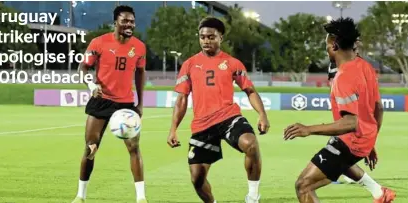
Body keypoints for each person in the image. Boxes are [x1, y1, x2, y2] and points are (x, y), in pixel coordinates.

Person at [283, 17, 396, 203]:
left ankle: (378, 192)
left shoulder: (343, 77)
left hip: (351, 140)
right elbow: (379, 108)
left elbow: (350, 123)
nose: (325, 48)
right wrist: (370, 140)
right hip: (363, 137)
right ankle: (378, 192)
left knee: (303, 185)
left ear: (334, 45)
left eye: (326, 44)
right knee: (337, 159)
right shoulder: (365, 66)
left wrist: (308, 129)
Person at [167, 17, 270, 203]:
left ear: (220, 38)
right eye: (202, 37)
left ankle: (253, 196)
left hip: (228, 118)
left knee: (251, 144)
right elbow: (181, 99)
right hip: (202, 126)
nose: (206, 41)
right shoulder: (189, 65)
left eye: (211, 37)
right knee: (197, 179)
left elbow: (250, 91)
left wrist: (262, 114)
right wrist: (173, 128)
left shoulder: (233, 63)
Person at [71, 5, 148, 203]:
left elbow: (140, 73)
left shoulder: (139, 47)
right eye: (124, 21)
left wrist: (140, 102)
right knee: (90, 148)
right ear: (115, 23)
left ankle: (141, 198)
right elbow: (83, 66)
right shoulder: (99, 42)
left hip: (125, 104)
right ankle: (81, 195)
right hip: (101, 101)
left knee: (134, 148)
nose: (129, 24)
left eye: (131, 21)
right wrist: (90, 84)